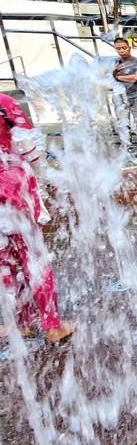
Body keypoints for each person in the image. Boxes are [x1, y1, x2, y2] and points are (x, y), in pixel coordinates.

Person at [0, 93, 75, 343]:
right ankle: (52, 326)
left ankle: (22, 322)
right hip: (12, 186)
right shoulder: (4, 102)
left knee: (5, 262)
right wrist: (44, 175)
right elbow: (28, 145)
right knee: (33, 258)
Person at [112, 37, 137, 144]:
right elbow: (110, 77)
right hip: (120, 98)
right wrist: (115, 73)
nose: (121, 50)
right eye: (118, 48)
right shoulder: (116, 63)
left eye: (124, 47)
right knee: (123, 125)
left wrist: (119, 77)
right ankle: (127, 148)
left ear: (129, 48)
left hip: (136, 97)